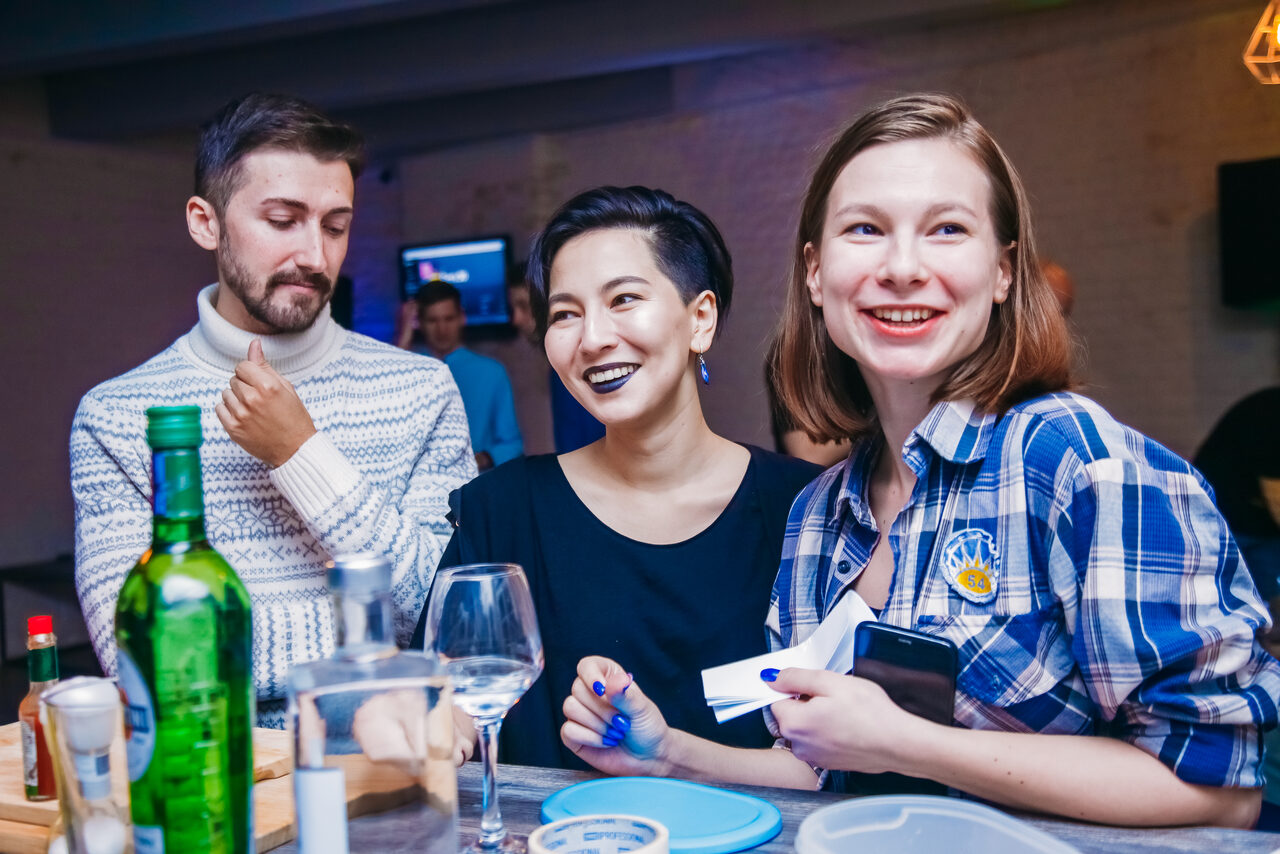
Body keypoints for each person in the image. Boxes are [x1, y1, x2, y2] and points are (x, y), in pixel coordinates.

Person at [560, 94, 1280, 828]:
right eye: (865, 229)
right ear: (815, 272)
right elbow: (824, 765)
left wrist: (910, 743)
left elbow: (1222, 794)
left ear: (1002, 272)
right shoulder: (820, 513)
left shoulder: (1074, 463)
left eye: (946, 230)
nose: (902, 268)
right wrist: (669, 755)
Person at [70, 93, 477, 727]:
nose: (316, 256)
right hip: (218, 777)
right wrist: (369, 655)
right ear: (206, 223)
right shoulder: (120, 417)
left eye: (335, 226)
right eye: (283, 220)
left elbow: (443, 612)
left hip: (395, 771)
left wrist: (301, 454)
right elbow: (147, 659)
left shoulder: (420, 389)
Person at [412, 186, 821, 769]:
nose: (594, 338)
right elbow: (445, 693)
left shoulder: (804, 507)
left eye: (624, 299)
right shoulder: (502, 511)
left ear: (699, 318)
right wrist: (433, 720)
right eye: (564, 314)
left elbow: (832, 762)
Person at [398, 281, 524, 471]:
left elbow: (512, 443)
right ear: (420, 323)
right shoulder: (406, 368)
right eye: (433, 321)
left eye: (448, 319)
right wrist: (403, 336)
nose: (442, 330)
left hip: (477, 487)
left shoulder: (492, 372)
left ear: (462, 317)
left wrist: (485, 457)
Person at [508, 274, 605, 453]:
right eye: (513, 308)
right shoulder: (557, 368)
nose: (516, 319)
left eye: (523, 306)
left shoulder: (581, 366)